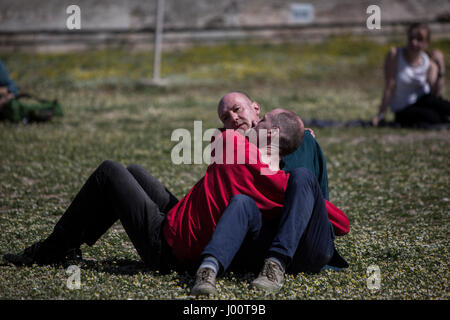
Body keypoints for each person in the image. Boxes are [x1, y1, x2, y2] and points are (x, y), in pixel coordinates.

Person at [191, 109, 348, 295]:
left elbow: (342, 224)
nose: (256, 123)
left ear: (272, 133)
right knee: (242, 202)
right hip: (261, 249)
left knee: (302, 176)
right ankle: (208, 270)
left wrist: (291, 201)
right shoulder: (241, 160)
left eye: (262, 120)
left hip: (309, 248)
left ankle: (276, 264)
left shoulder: (293, 173)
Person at [218, 91, 329, 200]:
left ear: (255, 108)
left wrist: (294, 134)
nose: (233, 118)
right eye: (226, 118)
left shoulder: (302, 140)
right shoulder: (227, 149)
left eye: (237, 109)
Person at [372, 23, 450, 128]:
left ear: (427, 43)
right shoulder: (395, 55)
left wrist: (440, 66)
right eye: (411, 38)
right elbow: (390, 85)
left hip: (424, 100)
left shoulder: (427, 61)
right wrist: (381, 115)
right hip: (404, 107)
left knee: (446, 107)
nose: (414, 42)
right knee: (433, 118)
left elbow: (435, 93)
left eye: (419, 39)